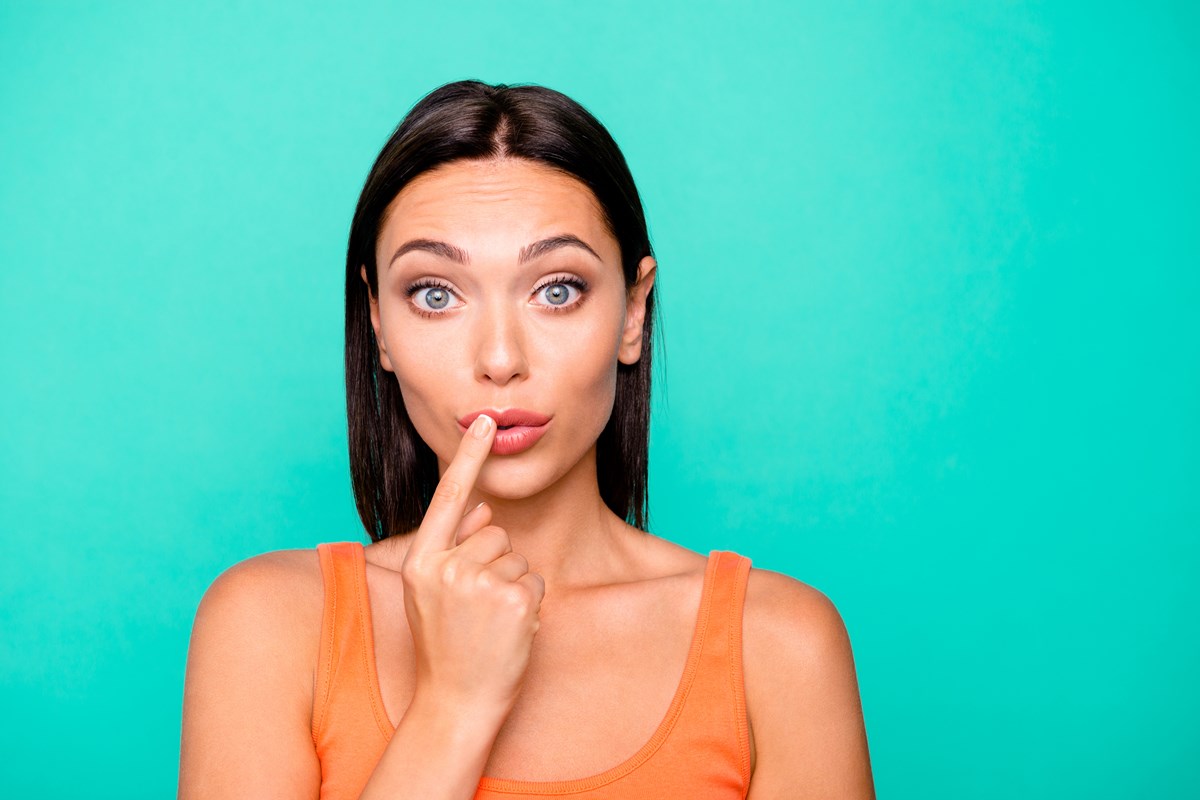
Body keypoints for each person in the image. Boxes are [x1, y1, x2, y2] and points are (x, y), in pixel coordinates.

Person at [178, 79, 875, 799]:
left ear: (634, 312)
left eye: (558, 289)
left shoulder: (780, 647)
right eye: (435, 294)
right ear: (379, 324)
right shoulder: (269, 629)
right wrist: (453, 707)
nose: (501, 358)